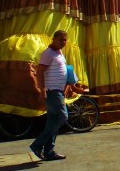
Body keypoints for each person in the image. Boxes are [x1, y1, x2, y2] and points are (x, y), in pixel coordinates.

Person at [29, 30, 86, 161]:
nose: (63, 42)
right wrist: (42, 89)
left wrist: (71, 86)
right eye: (60, 39)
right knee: (62, 116)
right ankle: (38, 144)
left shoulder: (59, 53)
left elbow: (62, 71)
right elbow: (40, 72)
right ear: (53, 39)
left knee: (53, 120)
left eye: (65, 40)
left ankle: (49, 151)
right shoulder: (48, 53)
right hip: (51, 91)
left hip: (58, 91)